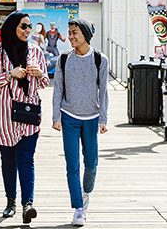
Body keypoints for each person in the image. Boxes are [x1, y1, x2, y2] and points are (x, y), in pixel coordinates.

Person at [0, 12, 49, 223]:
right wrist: (10, 74)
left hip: (29, 113)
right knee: (8, 160)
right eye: (23, 26)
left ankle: (27, 204)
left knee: (26, 159)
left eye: (29, 26)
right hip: (5, 114)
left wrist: (40, 74)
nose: (27, 31)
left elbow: (43, 84)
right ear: (13, 26)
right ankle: (11, 202)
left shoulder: (36, 51)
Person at [51, 19, 110, 226]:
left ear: (85, 34)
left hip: (92, 118)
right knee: (72, 165)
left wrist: (103, 118)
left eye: (74, 32)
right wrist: (55, 116)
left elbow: (103, 91)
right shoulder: (64, 59)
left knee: (91, 164)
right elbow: (57, 87)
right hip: (69, 117)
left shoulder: (99, 59)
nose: (71, 36)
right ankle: (78, 208)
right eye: (69, 32)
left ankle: (86, 193)